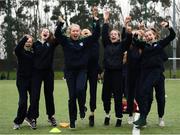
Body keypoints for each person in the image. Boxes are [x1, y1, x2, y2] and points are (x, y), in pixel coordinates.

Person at [55, 7, 100, 129]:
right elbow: (57, 34)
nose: (75, 33)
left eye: (77, 31)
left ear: (80, 32)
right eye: (73, 31)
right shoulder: (65, 41)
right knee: (72, 96)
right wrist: (60, 23)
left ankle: (82, 107)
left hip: (82, 71)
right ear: (70, 32)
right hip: (70, 72)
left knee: (80, 90)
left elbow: (96, 35)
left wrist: (95, 21)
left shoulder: (85, 42)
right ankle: (73, 120)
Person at [133, 21, 176, 128]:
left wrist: (168, 27)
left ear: (154, 36)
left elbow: (172, 36)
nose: (148, 36)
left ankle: (160, 118)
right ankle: (143, 117)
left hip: (158, 74)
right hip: (146, 73)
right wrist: (135, 34)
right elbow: (135, 41)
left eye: (150, 35)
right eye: (146, 35)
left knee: (160, 98)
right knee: (143, 93)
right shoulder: (143, 45)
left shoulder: (160, 44)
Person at [101, 10, 132, 127]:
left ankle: (119, 117)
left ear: (119, 37)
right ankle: (107, 115)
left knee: (118, 97)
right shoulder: (106, 44)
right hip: (108, 73)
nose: (113, 35)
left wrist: (127, 29)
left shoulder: (122, 45)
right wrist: (106, 20)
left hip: (118, 74)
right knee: (105, 97)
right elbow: (104, 33)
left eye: (116, 34)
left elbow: (128, 40)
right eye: (112, 33)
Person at [25, 29, 58, 129]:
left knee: (49, 95)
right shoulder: (35, 44)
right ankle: (32, 118)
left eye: (47, 31)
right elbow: (25, 49)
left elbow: (59, 36)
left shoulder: (51, 43)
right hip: (36, 73)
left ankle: (51, 116)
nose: (45, 33)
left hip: (48, 73)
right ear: (40, 33)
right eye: (44, 31)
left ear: (49, 34)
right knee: (35, 96)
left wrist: (60, 24)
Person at [13, 35, 33, 130]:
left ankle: (29, 117)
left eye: (30, 41)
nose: (28, 43)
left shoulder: (34, 53)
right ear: (24, 42)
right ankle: (17, 122)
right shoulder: (20, 52)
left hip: (32, 80)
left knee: (34, 100)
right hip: (21, 80)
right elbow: (16, 49)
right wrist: (25, 37)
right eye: (27, 41)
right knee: (23, 102)